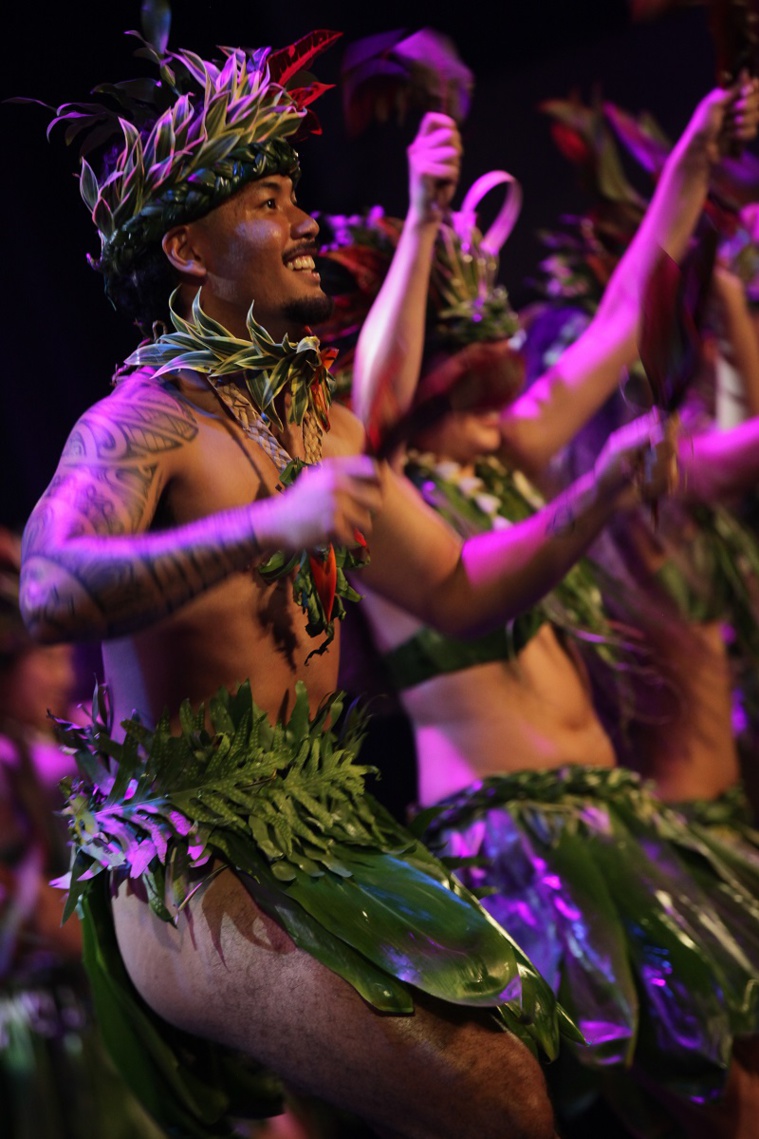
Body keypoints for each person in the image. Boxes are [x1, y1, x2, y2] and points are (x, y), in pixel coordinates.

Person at [14, 17, 679, 1139]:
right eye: (268, 200)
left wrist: (599, 491)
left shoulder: (318, 428)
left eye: (293, 194)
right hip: (191, 857)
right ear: (188, 249)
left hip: (322, 827)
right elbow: (49, 587)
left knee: (468, 1079)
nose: (306, 219)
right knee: (499, 1096)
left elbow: (458, 586)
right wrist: (265, 525)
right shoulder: (142, 420)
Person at [337, 78, 759, 1138]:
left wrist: (692, 158)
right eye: (473, 392)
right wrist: (423, 216)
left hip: (614, 812)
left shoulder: (509, 455)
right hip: (510, 840)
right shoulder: (380, 498)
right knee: (686, 1098)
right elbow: (374, 413)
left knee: (728, 1074)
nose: (504, 413)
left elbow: (623, 315)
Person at [0, 527, 167, 1139]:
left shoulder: (42, 751)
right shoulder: (18, 760)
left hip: (80, 1003)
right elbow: (39, 918)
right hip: (45, 1024)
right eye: (46, 657)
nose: (65, 673)